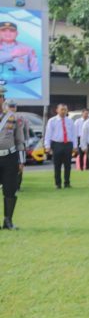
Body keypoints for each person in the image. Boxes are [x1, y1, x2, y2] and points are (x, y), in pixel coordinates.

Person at [0, 87, 25, 230]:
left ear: (3, 100)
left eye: (0, 97)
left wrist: (21, 160)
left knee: (10, 189)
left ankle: (8, 221)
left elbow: (19, 140)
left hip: (9, 157)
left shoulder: (14, 117)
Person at [44, 103, 77, 189]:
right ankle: (58, 183)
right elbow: (48, 134)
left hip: (68, 144)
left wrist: (75, 145)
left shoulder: (70, 121)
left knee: (68, 165)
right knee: (57, 165)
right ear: (57, 110)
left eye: (65, 110)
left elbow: (74, 134)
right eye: (61, 109)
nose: (63, 111)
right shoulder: (52, 121)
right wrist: (47, 146)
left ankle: (67, 183)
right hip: (57, 144)